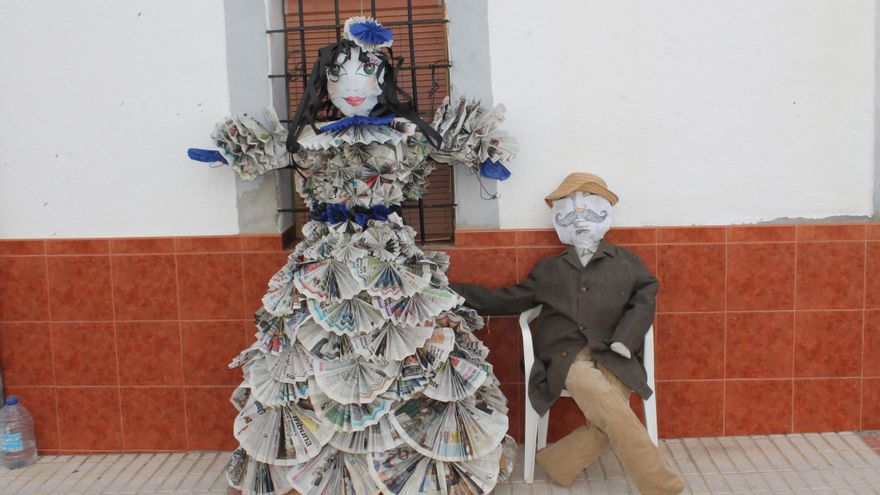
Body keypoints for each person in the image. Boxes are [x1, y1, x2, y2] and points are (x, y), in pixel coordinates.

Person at [450, 172, 686, 494]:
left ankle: (558, 461)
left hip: (613, 353)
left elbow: (646, 295)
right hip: (564, 356)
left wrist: (625, 339)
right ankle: (663, 486)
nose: (579, 214)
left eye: (588, 204)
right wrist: (453, 292)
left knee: (610, 413)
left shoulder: (627, 263)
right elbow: (510, 298)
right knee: (612, 408)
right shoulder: (550, 268)